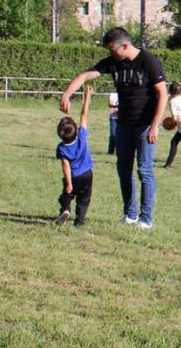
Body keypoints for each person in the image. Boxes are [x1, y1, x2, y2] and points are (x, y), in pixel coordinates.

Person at [60, 28, 167, 230]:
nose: (110, 54)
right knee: (123, 170)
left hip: (145, 126)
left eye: (112, 49)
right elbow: (84, 76)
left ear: (124, 46)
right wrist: (66, 94)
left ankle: (146, 218)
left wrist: (155, 125)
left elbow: (163, 94)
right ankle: (130, 214)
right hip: (124, 125)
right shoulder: (113, 62)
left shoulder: (148, 61)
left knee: (144, 170)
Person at [55, 85, 95, 226]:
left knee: (67, 195)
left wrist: (69, 183)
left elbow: (65, 165)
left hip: (74, 175)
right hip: (87, 174)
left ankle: (65, 210)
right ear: (76, 130)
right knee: (84, 198)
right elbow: (84, 114)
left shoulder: (61, 148)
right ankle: (79, 221)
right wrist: (87, 96)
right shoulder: (81, 136)